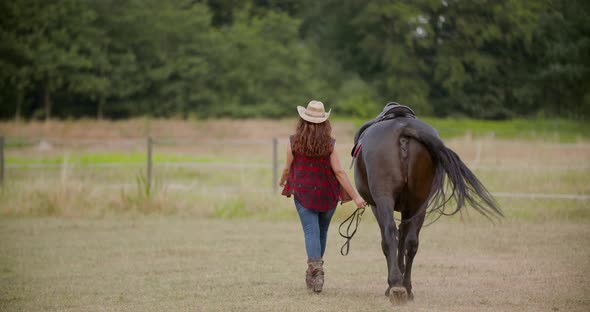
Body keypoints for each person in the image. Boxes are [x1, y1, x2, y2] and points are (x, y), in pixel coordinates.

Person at [279, 100, 367, 293]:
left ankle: (315, 270)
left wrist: (283, 180)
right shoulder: (329, 143)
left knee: (311, 231)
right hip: (328, 194)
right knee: (322, 232)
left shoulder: (294, 141)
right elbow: (339, 172)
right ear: (325, 122)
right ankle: (316, 271)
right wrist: (356, 197)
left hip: (303, 193)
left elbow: (287, 167)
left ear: (303, 120)